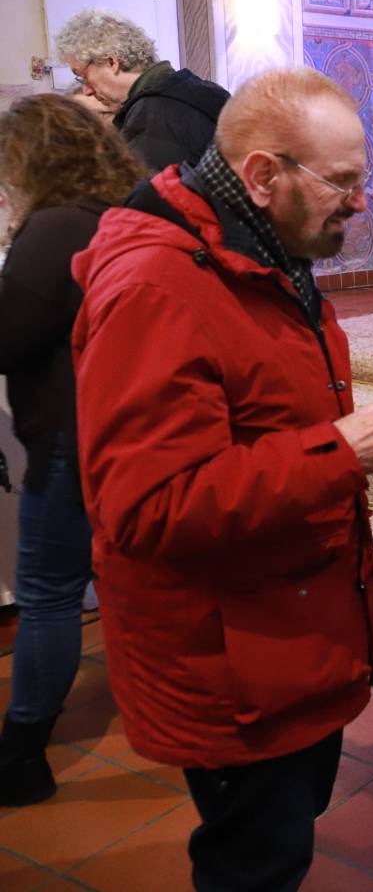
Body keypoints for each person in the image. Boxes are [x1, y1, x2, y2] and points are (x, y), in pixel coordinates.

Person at [72, 68, 373, 891]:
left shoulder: (259, 248)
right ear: (262, 175)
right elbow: (147, 505)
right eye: (342, 181)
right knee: (253, 863)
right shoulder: (157, 287)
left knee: (280, 838)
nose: (361, 201)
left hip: (282, 633)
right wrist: (339, 453)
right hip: (232, 662)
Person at [0, 95, 143, 806]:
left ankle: (22, 753)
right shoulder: (123, 213)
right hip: (127, 425)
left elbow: (7, 337)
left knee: (50, 593)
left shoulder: (54, 227)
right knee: (126, 579)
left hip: (70, 433)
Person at [54, 8, 230, 173]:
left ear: (111, 62)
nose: (86, 91)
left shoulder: (151, 120)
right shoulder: (196, 89)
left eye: (84, 76)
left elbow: (156, 194)